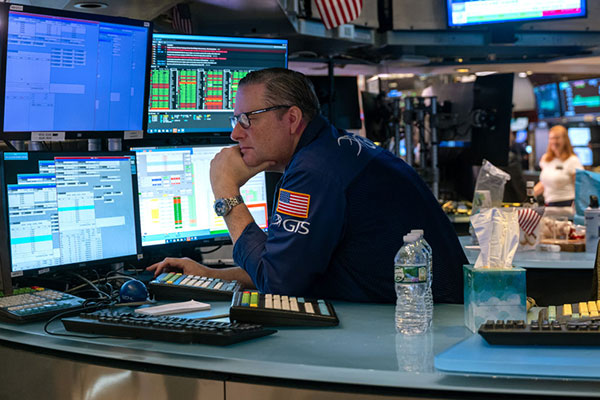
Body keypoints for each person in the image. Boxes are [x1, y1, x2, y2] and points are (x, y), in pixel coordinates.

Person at [148, 68, 468, 303]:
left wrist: (227, 195)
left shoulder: (314, 172)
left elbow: (279, 284)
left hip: (418, 327)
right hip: (428, 317)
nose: (236, 134)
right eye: (236, 120)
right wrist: (211, 276)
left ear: (291, 118)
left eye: (248, 119)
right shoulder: (331, 150)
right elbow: (294, 267)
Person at [534, 125, 583, 207]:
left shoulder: (573, 160)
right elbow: (544, 183)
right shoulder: (546, 159)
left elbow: (580, 187)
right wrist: (530, 194)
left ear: (565, 140)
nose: (554, 141)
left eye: (557, 138)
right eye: (551, 138)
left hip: (567, 205)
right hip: (549, 204)